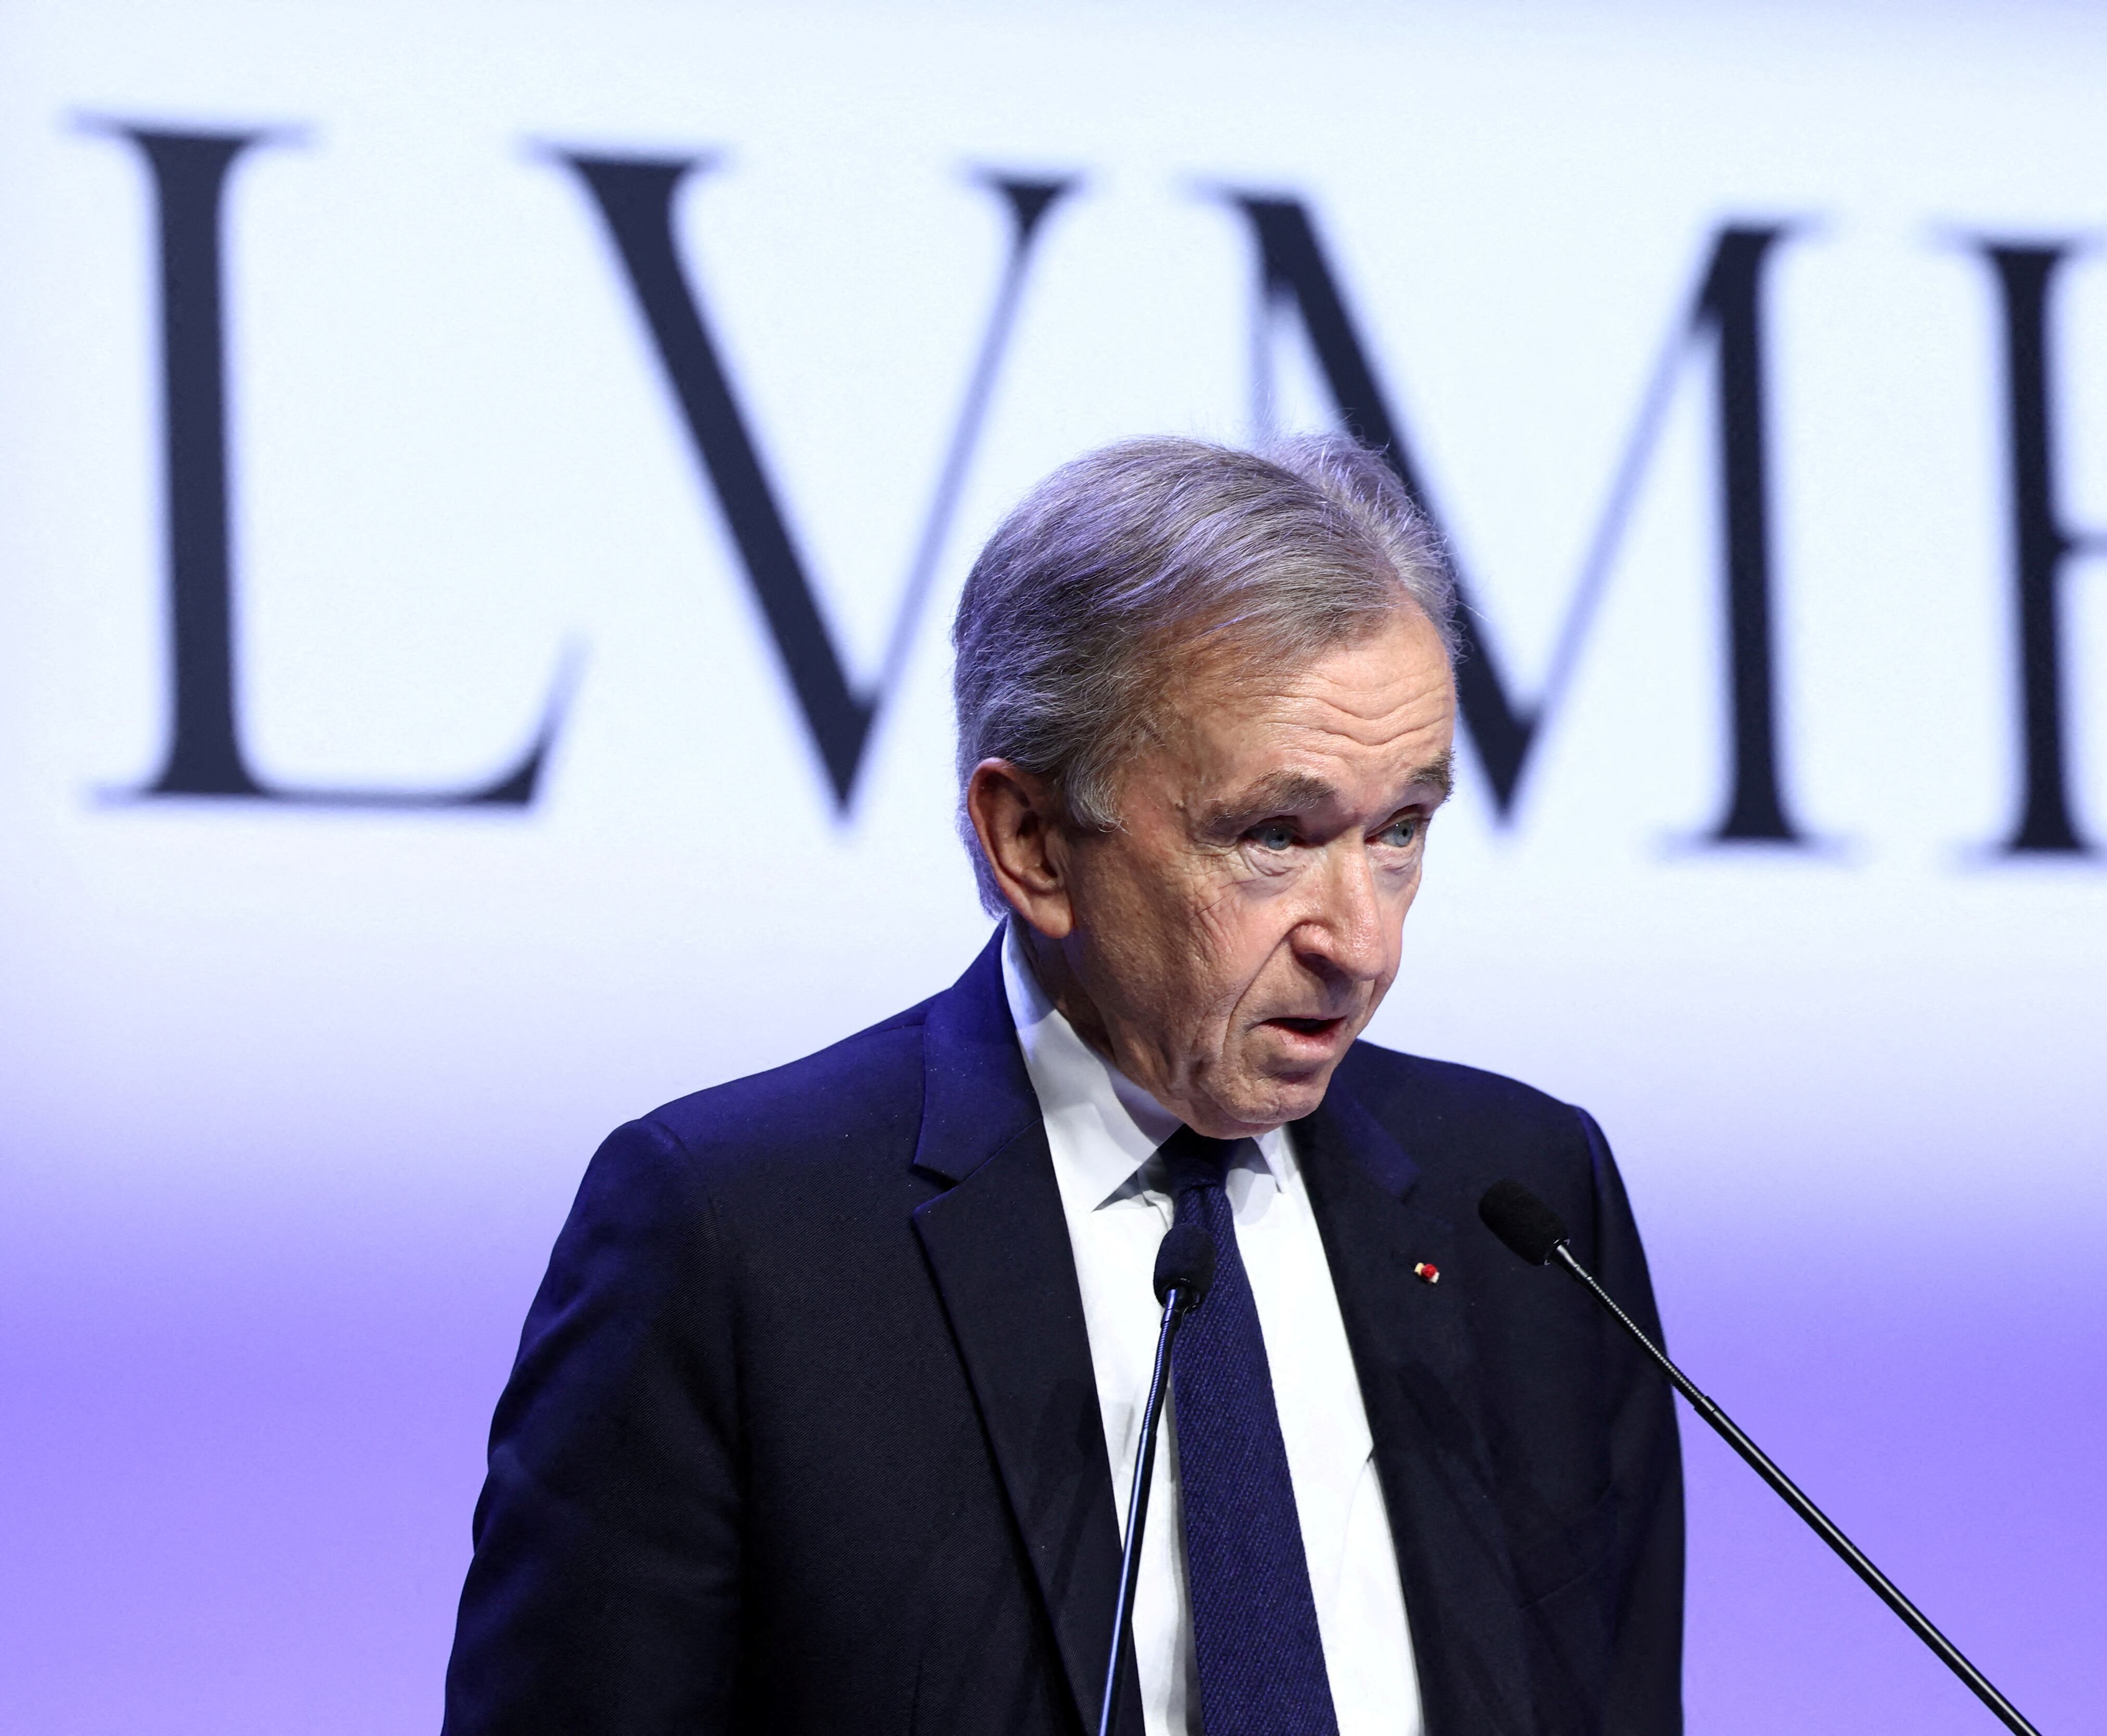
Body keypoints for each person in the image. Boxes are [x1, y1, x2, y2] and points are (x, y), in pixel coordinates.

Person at [442, 436, 1683, 1736]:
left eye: (1400, 832)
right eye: (1273, 836)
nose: (1361, 941)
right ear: (1031, 841)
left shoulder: (1526, 1204)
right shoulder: (739, 1238)